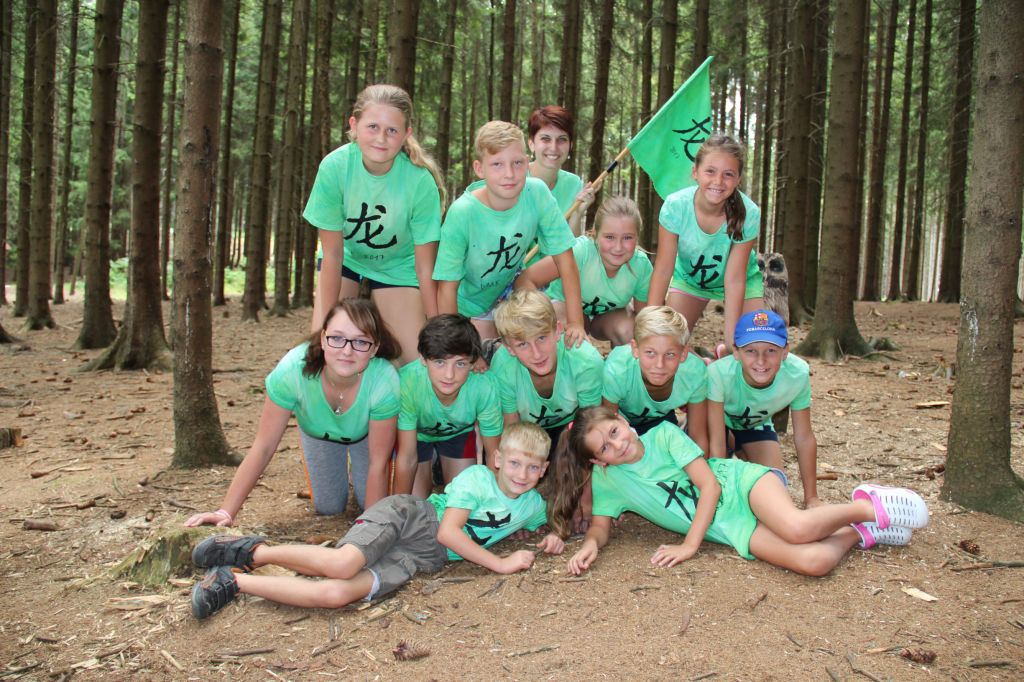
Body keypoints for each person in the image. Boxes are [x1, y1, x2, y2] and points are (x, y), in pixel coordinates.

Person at [190, 423, 565, 619]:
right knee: (342, 564)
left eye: (533, 467)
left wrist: (556, 535)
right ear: (497, 459)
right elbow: (448, 533)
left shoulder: (532, 503)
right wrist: (500, 563)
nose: (522, 474)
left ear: (544, 469)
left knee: (337, 595)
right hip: (411, 519)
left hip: (420, 559)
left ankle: (233, 581)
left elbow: (550, 519)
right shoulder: (477, 479)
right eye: (514, 463)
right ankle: (252, 551)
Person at [549, 406, 928, 577]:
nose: (617, 445)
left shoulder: (664, 436)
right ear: (598, 462)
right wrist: (590, 545)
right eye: (605, 448)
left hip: (740, 486)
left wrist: (690, 545)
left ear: (622, 420)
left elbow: (710, 486)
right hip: (730, 527)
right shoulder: (610, 481)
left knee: (797, 528)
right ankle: (858, 532)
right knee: (813, 562)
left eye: (614, 432)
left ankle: (867, 506)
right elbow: (600, 526)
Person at [184, 299, 402, 528]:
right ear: (323, 338)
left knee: (369, 504)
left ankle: (356, 476)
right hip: (319, 433)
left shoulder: (384, 379)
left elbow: (378, 462)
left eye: (360, 342)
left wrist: (369, 526)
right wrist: (226, 512)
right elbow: (264, 446)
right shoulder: (293, 370)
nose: (347, 351)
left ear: (375, 348)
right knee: (329, 507)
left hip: (366, 436)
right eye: (337, 338)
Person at [304, 84, 445, 365]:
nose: (381, 138)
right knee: (330, 349)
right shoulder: (335, 168)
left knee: (415, 360)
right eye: (372, 127)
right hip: (346, 259)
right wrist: (324, 327)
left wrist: (436, 325)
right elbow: (333, 254)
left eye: (392, 130)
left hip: (399, 266)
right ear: (354, 125)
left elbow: (424, 266)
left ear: (406, 134)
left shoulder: (419, 181)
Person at [433, 121, 586, 346]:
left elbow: (565, 259)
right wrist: (456, 343)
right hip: (467, 305)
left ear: (527, 162)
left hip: (510, 289)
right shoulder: (463, 213)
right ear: (479, 168)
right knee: (485, 354)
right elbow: (447, 288)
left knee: (543, 338)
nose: (509, 174)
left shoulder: (536, 193)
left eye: (517, 163)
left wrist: (576, 323)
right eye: (497, 164)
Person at [647, 134, 765, 353]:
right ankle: (702, 363)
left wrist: (732, 340)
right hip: (690, 281)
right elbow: (663, 269)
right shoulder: (676, 207)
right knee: (669, 344)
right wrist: (650, 323)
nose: (718, 181)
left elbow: (735, 279)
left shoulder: (748, 213)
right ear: (695, 172)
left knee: (752, 347)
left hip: (742, 282)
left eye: (728, 174)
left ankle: (724, 352)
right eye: (710, 171)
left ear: (738, 179)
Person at [707, 309, 821, 508]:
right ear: (736, 352)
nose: (761, 360)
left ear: (785, 351)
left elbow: (804, 437)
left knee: (774, 490)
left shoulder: (798, 374)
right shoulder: (718, 373)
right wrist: (719, 490)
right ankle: (729, 447)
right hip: (718, 425)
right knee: (707, 467)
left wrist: (811, 498)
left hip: (754, 425)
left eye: (771, 350)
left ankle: (740, 449)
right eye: (751, 351)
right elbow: (716, 441)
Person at [516, 196, 652, 346]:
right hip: (563, 309)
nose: (618, 247)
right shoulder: (581, 252)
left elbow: (643, 317)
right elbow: (526, 279)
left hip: (605, 319)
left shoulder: (641, 266)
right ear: (595, 234)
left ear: (637, 237)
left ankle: (621, 361)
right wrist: (538, 313)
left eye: (627, 238)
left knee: (631, 330)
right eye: (610, 237)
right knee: (562, 328)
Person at [489, 290, 604, 461]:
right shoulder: (503, 368)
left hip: (573, 427)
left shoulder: (585, 361)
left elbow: (591, 424)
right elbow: (511, 427)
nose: (536, 354)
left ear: (558, 330)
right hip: (528, 432)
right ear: (509, 348)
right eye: (523, 344)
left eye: (541, 338)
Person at [398, 314, 504, 497]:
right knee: (416, 502)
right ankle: (432, 463)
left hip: (458, 435)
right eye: (440, 362)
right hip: (417, 437)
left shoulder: (484, 385)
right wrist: (399, 506)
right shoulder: (408, 382)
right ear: (423, 359)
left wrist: (495, 503)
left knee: (463, 497)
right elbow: (407, 458)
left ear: (473, 362)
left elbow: (494, 454)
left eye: (460, 364)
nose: (449, 375)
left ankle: (439, 465)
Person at [602, 306, 708, 453]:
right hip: (622, 427)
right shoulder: (617, 370)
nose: (659, 365)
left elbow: (698, 436)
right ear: (635, 349)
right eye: (650, 353)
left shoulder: (694, 373)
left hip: (661, 422)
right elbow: (608, 430)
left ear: (684, 353)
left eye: (670, 354)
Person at [526, 105, 597, 236]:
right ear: (531, 144)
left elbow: (573, 243)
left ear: (570, 145)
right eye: (545, 139)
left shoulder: (573, 184)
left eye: (562, 139)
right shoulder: (514, 179)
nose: (554, 147)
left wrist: (577, 213)